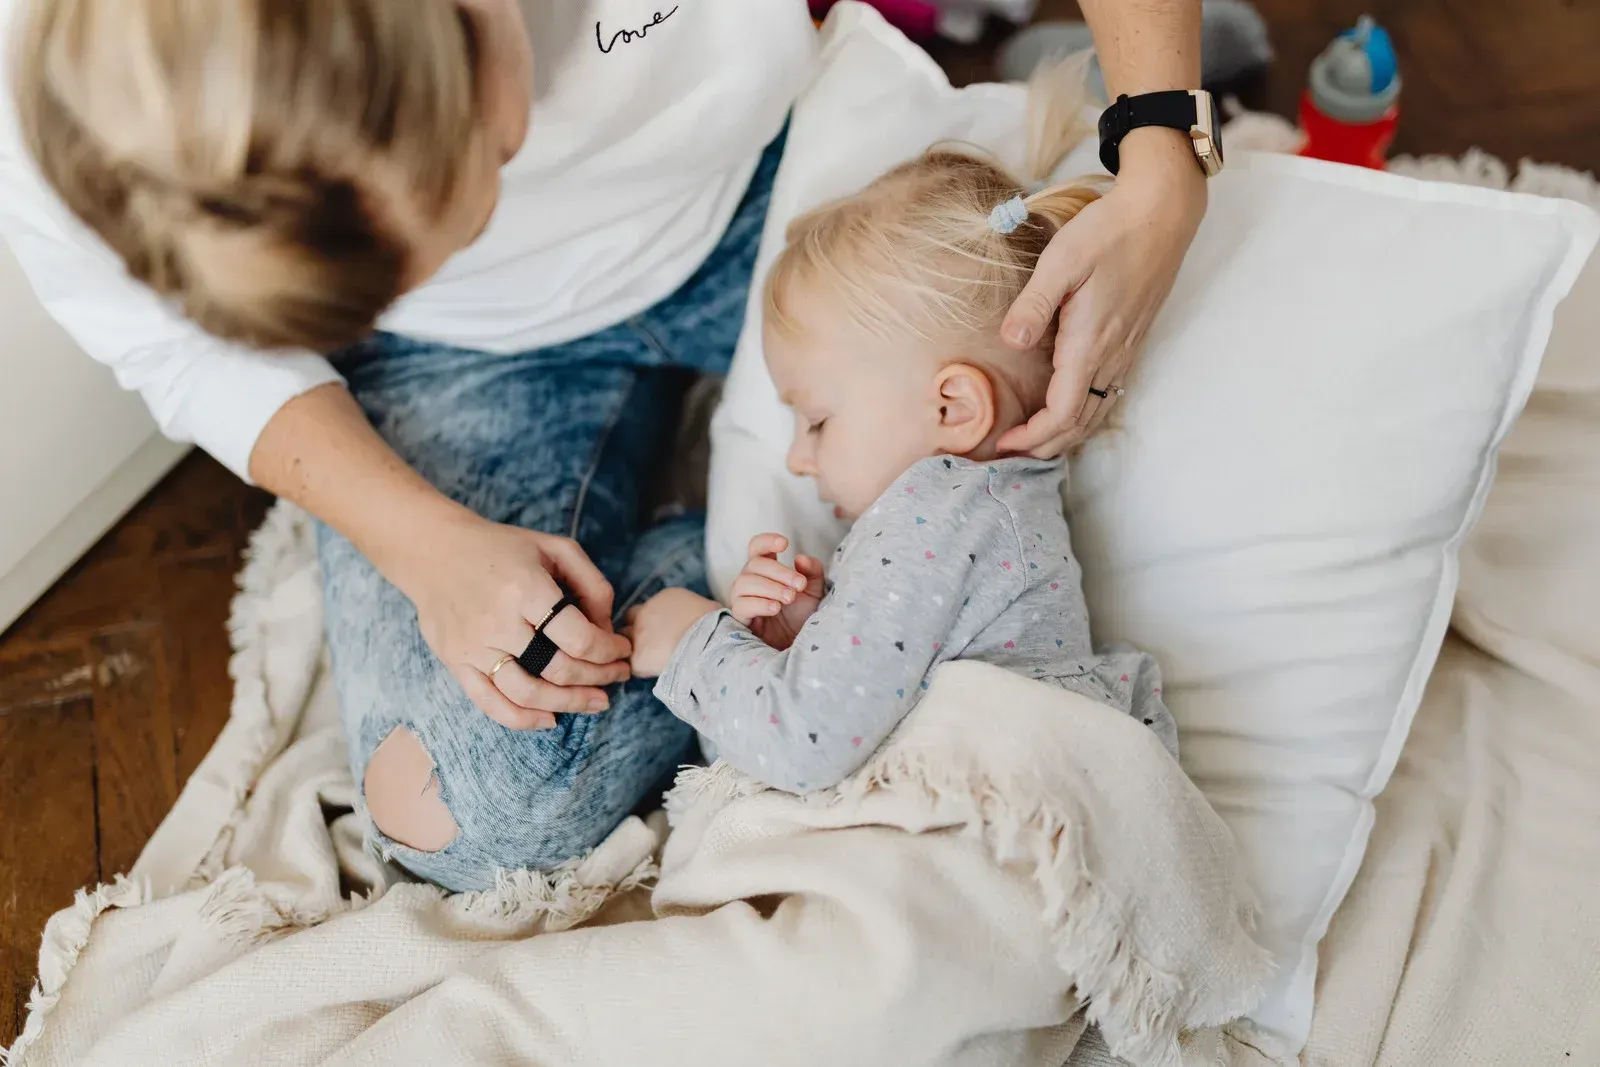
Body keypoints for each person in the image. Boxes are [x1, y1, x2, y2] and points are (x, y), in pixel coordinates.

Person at [0, 0, 1206, 891]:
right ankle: (721, 577)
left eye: (485, 171)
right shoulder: (89, 96)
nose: (487, 221)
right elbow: (176, 352)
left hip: (767, 199)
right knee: (457, 810)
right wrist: (425, 546)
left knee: (1057, 317)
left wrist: (1162, 146)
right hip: (472, 363)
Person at [624, 61, 1178, 792]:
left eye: (817, 419)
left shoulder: (935, 509)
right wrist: (813, 635)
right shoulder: (981, 513)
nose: (795, 457)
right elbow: (889, 695)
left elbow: (805, 743)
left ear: (952, 408)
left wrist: (693, 643)